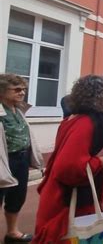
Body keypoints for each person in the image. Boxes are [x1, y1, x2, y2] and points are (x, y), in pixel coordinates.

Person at [33, 75, 103, 243]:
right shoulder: (86, 123)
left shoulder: (91, 119)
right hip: (71, 201)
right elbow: (69, 169)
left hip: (80, 198)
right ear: (101, 97)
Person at [0, 74, 43, 243]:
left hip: (21, 159)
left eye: (23, 89)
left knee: (17, 197)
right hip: (4, 159)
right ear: (2, 91)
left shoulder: (18, 110)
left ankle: (12, 232)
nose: (22, 92)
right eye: (17, 89)